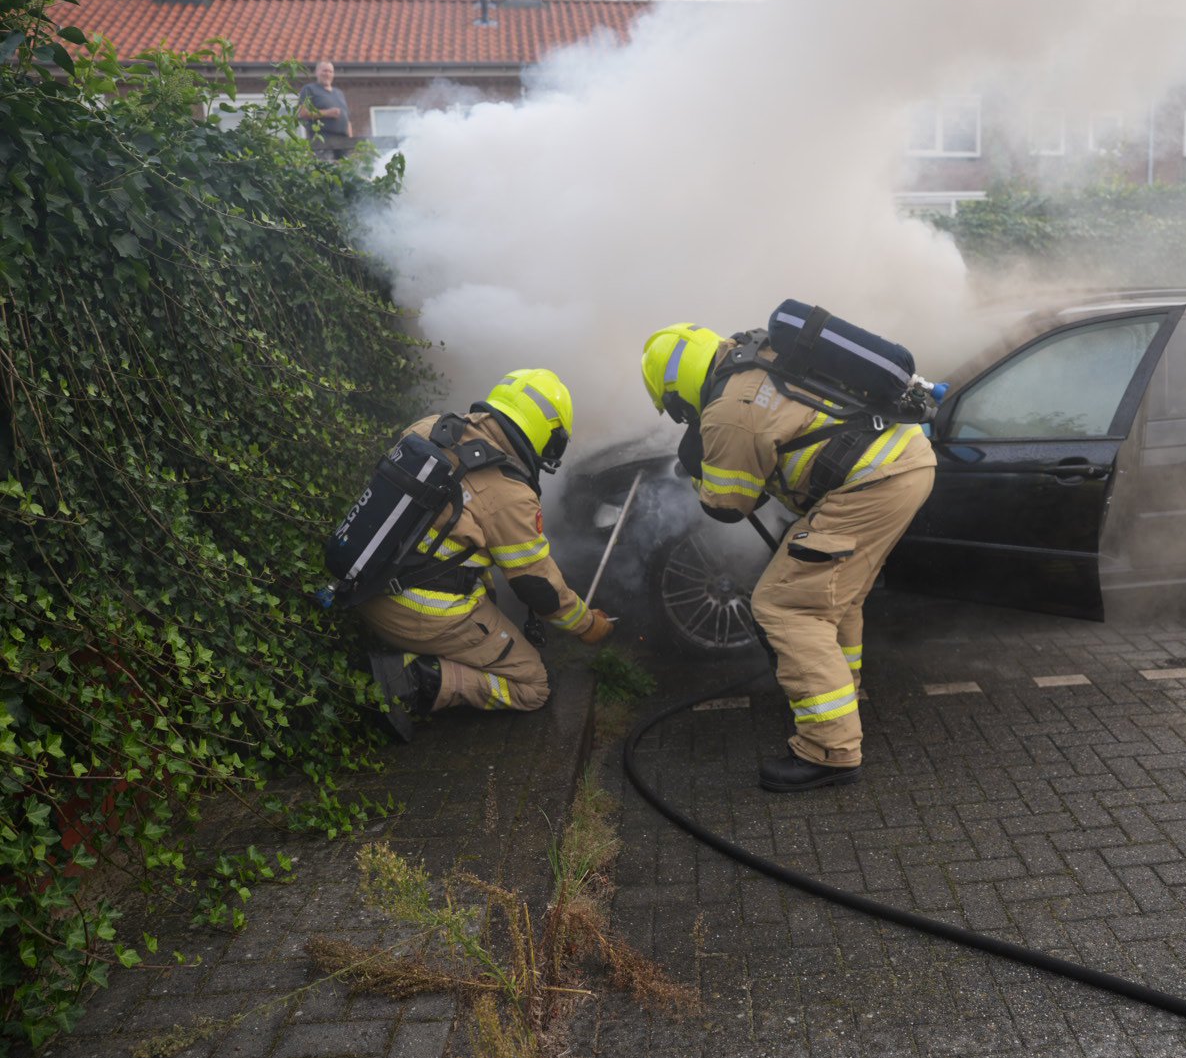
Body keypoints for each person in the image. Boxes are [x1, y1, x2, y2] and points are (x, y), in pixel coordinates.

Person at [641, 322, 935, 792]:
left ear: (677, 393)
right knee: (836, 595)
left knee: (786, 605)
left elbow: (728, 506)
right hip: (907, 461)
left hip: (873, 484)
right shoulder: (763, 356)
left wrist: (700, 466)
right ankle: (839, 690)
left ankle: (830, 750)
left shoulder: (729, 410)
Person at [360, 369, 613, 740]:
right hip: (420, 610)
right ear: (546, 433)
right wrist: (586, 625)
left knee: (476, 569)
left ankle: (418, 650)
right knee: (533, 686)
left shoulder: (428, 428)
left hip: (368, 584)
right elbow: (537, 586)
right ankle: (407, 677)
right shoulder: (507, 494)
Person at [297, 61, 352, 160]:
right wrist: (327, 113)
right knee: (326, 171)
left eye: (330, 71)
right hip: (322, 141)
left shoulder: (339, 93)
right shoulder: (309, 89)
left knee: (344, 171)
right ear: (317, 72)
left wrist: (351, 142)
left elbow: (347, 120)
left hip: (343, 143)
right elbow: (303, 113)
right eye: (324, 71)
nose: (327, 74)